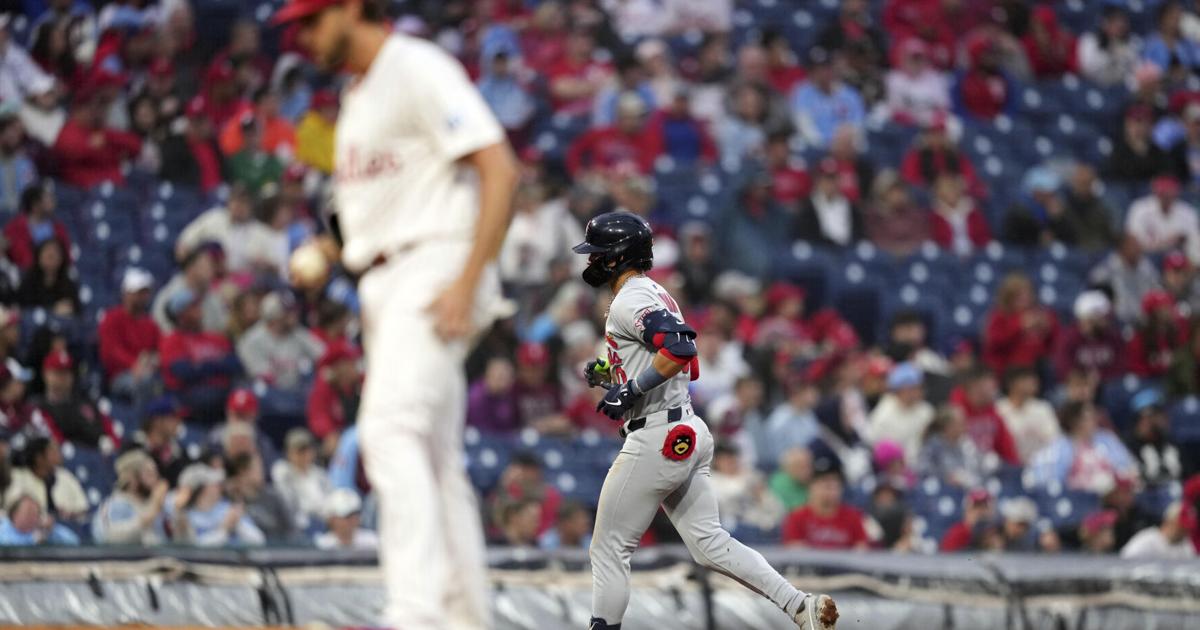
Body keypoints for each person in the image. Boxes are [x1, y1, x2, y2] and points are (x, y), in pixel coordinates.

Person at [272, 1, 520, 626]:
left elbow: (499, 168)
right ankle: (465, 617)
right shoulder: (357, 98)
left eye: (312, 20)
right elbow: (377, 212)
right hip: (386, 277)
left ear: (352, 7)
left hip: (434, 264)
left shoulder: (414, 65)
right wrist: (328, 250)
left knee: (387, 432)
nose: (303, 36)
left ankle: (415, 612)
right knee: (434, 457)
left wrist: (467, 279)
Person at [569, 212, 837, 629]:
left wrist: (631, 388)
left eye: (599, 253)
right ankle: (801, 606)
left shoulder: (630, 298)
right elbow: (680, 364)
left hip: (656, 434)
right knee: (709, 543)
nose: (592, 261)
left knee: (609, 549)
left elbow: (681, 350)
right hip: (686, 429)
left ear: (618, 256)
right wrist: (611, 373)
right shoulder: (655, 291)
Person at [158, 288, 240, 423]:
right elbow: (184, 372)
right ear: (180, 315)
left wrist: (203, 366)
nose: (199, 310)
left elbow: (236, 364)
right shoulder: (171, 341)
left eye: (197, 305)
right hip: (188, 395)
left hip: (222, 390)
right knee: (212, 397)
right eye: (193, 307)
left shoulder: (215, 338)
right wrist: (219, 364)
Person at [1031, 401, 1138, 494]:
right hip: (1077, 498)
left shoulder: (1107, 439)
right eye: (1089, 417)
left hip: (1112, 495)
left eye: (1094, 416)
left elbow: (1128, 467)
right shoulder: (1059, 447)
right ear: (1074, 421)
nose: (1095, 420)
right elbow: (1049, 481)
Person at [176, 184, 283, 276]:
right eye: (236, 200)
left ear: (251, 206)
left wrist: (264, 265)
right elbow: (183, 243)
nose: (238, 206)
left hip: (245, 283)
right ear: (229, 202)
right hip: (209, 277)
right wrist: (188, 267)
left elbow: (277, 267)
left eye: (244, 202)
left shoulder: (261, 232)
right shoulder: (214, 218)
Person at [781, 449, 868, 552]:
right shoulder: (796, 517)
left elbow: (861, 549)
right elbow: (793, 550)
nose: (831, 490)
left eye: (835, 485)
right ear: (811, 487)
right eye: (825, 484)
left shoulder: (853, 517)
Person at [236, 290, 324, 389]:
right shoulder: (251, 340)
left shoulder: (297, 332)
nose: (295, 314)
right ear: (275, 315)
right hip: (269, 392)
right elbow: (263, 376)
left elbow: (322, 354)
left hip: (299, 390)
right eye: (289, 311)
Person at [32, 349, 119, 449]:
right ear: (46, 374)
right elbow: (56, 443)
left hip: (100, 452)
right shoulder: (39, 406)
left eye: (67, 372)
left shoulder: (86, 401)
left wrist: (112, 444)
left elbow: (108, 427)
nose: (64, 378)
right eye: (58, 372)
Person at [98, 267, 160, 401]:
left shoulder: (150, 324)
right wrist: (135, 364)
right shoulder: (112, 318)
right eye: (138, 292)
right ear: (126, 293)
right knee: (144, 383)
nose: (142, 297)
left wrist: (152, 361)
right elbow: (110, 353)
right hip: (120, 376)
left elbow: (158, 350)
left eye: (145, 292)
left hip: (147, 372)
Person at [169, 463, 265, 547]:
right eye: (214, 484)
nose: (219, 487)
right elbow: (195, 549)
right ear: (202, 489)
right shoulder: (186, 516)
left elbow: (259, 541)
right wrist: (224, 530)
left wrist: (238, 525)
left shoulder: (227, 508)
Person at [983, 273, 1058, 376]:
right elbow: (994, 344)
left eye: (1028, 294)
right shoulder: (999, 317)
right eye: (1019, 296)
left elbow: (1057, 344)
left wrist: (1047, 329)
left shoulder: (1041, 314)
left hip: (1037, 371)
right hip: (1007, 373)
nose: (1025, 299)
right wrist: (1020, 325)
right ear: (1008, 298)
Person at [791, 48, 865, 149]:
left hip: (848, 146)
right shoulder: (802, 94)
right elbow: (805, 128)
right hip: (818, 148)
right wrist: (829, 146)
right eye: (818, 69)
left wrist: (848, 143)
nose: (824, 72)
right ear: (811, 72)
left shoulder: (848, 94)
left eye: (827, 67)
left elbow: (858, 123)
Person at [91, 449, 169, 545]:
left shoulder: (156, 505)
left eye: (156, 474)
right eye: (149, 474)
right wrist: (151, 510)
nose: (155, 480)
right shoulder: (117, 504)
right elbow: (108, 537)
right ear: (132, 478)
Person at [3, 436, 88, 522]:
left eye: (58, 451)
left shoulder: (63, 476)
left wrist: (69, 514)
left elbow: (83, 509)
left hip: (61, 525)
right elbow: (10, 509)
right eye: (53, 452)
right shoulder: (17, 476)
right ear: (39, 458)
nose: (59, 456)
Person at [949, 367, 1021, 466]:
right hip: (960, 466)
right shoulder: (955, 413)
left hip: (989, 466)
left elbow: (1006, 447)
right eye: (985, 391)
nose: (992, 393)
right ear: (972, 388)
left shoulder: (993, 412)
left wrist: (1015, 467)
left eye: (993, 389)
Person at [866, 362, 934, 466]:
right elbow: (875, 446)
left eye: (920, 387)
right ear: (902, 390)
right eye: (915, 388)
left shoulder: (926, 410)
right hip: (894, 467)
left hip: (924, 465)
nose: (919, 392)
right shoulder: (883, 413)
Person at [224, 451, 297, 543]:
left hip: (280, 548)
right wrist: (236, 496)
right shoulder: (232, 499)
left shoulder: (273, 496)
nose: (262, 472)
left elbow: (292, 528)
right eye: (257, 468)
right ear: (243, 472)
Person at [1089, 233, 1162, 324]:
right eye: (1133, 246)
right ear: (1122, 249)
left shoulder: (1145, 266)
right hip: (1119, 321)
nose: (1137, 250)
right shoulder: (1110, 267)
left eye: (1137, 246)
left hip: (1144, 320)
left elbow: (1157, 288)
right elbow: (1095, 283)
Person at [1052, 290, 1125, 382]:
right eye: (1102, 317)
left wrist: (1100, 376)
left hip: (1108, 384)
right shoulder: (1068, 339)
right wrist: (1084, 379)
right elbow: (1064, 369)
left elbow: (1121, 366)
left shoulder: (1113, 337)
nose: (1106, 321)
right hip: (1078, 385)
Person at [306, 340, 362, 458]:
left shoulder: (360, 383)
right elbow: (318, 416)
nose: (354, 366)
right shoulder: (324, 387)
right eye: (350, 362)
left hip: (361, 432)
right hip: (339, 436)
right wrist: (329, 432)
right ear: (338, 366)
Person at [1126, 175, 1200, 262]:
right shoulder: (1140, 208)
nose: (1165, 196)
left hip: (1178, 258)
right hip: (1147, 257)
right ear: (1155, 191)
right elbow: (1133, 239)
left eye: (1169, 192)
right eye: (1162, 193)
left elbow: (1194, 241)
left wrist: (1182, 240)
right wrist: (1166, 242)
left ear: (1176, 192)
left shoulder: (1188, 212)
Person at [795, 157, 865, 249]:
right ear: (818, 180)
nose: (830, 184)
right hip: (820, 250)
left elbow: (859, 233)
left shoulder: (850, 206)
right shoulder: (807, 206)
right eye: (826, 179)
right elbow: (806, 235)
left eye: (833, 179)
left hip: (848, 249)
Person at [271, 428, 333, 530]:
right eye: (299, 451)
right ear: (289, 452)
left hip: (323, 520)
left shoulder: (320, 474)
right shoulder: (283, 471)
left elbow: (329, 499)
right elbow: (288, 503)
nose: (304, 455)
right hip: (299, 523)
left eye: (307, 450)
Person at [996, 366, 1059, 465]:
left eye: (1033, 380)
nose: (1033, 383)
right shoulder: (999, 409)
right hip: (1007, 465)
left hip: (1039, 465)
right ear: (1012, 383)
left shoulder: (1043, 408)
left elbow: (1054, 440)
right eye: (1026, 380)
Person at [4, 181, 71, 271]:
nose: (53, 203)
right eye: (48, 200)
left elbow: (67, 256)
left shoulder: (58, 228)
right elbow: (20, 258)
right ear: (35, 204)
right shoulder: (14, 228)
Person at [124, 396, 190, 486]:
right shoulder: (133, 447)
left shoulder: (179, 453)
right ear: (157, 420)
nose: (179, 422)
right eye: (174, 417)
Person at [885, 38, 950, 127]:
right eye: (912, 58)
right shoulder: (894, 78)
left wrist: (935, 121)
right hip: (903, 125)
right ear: (903, 59)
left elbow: (943, 106)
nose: (916, 62)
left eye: (919, 58)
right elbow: (895, 108)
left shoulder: (935, 78)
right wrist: (912, 121)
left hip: (931, 123)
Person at [1125, 389, 1183, 486]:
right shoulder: (1128, 447)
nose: (1156, 421)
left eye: (1160, 413)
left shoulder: (1173, 442)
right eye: (1150, 416)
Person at [917, 406, 984, 489]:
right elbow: (923, 469)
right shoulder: (933, 446)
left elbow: (977, 466)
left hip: (965, 487)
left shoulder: (966, 443)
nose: (965, 427)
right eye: (961, 424)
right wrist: (945, 477)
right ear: (948, 427)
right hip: (940, 489)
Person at [1107, 106, 1176, 183]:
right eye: (1135, 124)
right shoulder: (1117, 155)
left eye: (1145, 124)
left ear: (1151, 126)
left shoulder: (1160, 155)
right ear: (1126, 126)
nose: (1139, 128)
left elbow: (1168, 179)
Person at [1077, 4, 1140, 87]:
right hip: (1093, 85)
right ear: (1105, 23)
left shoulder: (1130, 44)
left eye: (1122, 24)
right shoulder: (1089, 40)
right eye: (1114, 23)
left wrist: (1123, 55)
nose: (1119, 27)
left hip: (1120, 87)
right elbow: (1087, 69)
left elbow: (1136, 70)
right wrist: (1110, 53)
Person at [929, 173, 991, 256]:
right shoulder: (935, 215)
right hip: (948, 256)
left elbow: (982, 235)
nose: (949, 191)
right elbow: (939, 241)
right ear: (938, 192)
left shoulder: (971, 209)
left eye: (951, 187)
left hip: (976, 253)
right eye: (944, 188)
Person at [1128, 290, 1185, 378]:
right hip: (1148, 381)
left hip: (1173, 380)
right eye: (1163, 309)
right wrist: (1156, 367)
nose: (1168, 311)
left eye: (1169, 306)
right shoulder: (1139, 337)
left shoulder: (1176, 332)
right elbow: (1135, 366)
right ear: (1152, 313)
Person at [15, 238, 79, 315]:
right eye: (47, 252)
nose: (51, 255)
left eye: (55, 253)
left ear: (62, 258)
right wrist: (52, 310)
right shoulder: (28, 283)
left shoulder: (68, 285)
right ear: (39, 256)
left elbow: (77, 312)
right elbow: (23, 310)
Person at [1120, 502, 1197, 560]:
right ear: (1168, 521)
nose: (1184, 531)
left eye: (1187, 528)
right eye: (1181, 527)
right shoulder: (1146, 541)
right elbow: (1125, 563)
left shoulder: (1185, 544)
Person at [0, 494, 79, 546]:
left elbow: (73, 541)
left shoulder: (40, 528)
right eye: (29, 513)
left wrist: (52, 530)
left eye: (36, 514)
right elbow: (7, 548)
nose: (33, 518)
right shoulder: (4, 528)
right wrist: (32, 541)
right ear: (14, 514)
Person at [314, 488, 378, 551]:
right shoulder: (321, 545)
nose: (352, 520)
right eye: (346, 516)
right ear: (331, 519)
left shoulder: (372, 541)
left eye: (354, 514)